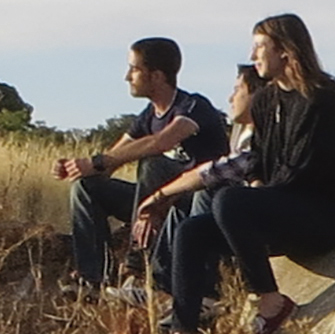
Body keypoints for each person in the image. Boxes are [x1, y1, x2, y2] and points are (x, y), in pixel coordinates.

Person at [139, 12, 335, 334]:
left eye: (260, 47)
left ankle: (270, 302)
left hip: (323, 218)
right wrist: (257, 197)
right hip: (282, 210)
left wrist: (257, 202)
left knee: (230, 200)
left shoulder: (322, 98)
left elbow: (303, 171)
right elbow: (257, 161)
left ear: (285, 50)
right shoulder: (266, 102)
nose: (252, 56)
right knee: (191, 231)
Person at [54, 37, 225, 296]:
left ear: (156, 76)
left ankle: (140, 264)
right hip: (154, 199)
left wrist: (101, 162)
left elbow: (161, 141)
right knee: (86, 188)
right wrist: (78, 167)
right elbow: (112, 158)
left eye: (134, 69)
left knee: (153, 164)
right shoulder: (148, 115)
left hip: (193, 202)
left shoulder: (192, 106)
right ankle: (93, 281)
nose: (127, 76)